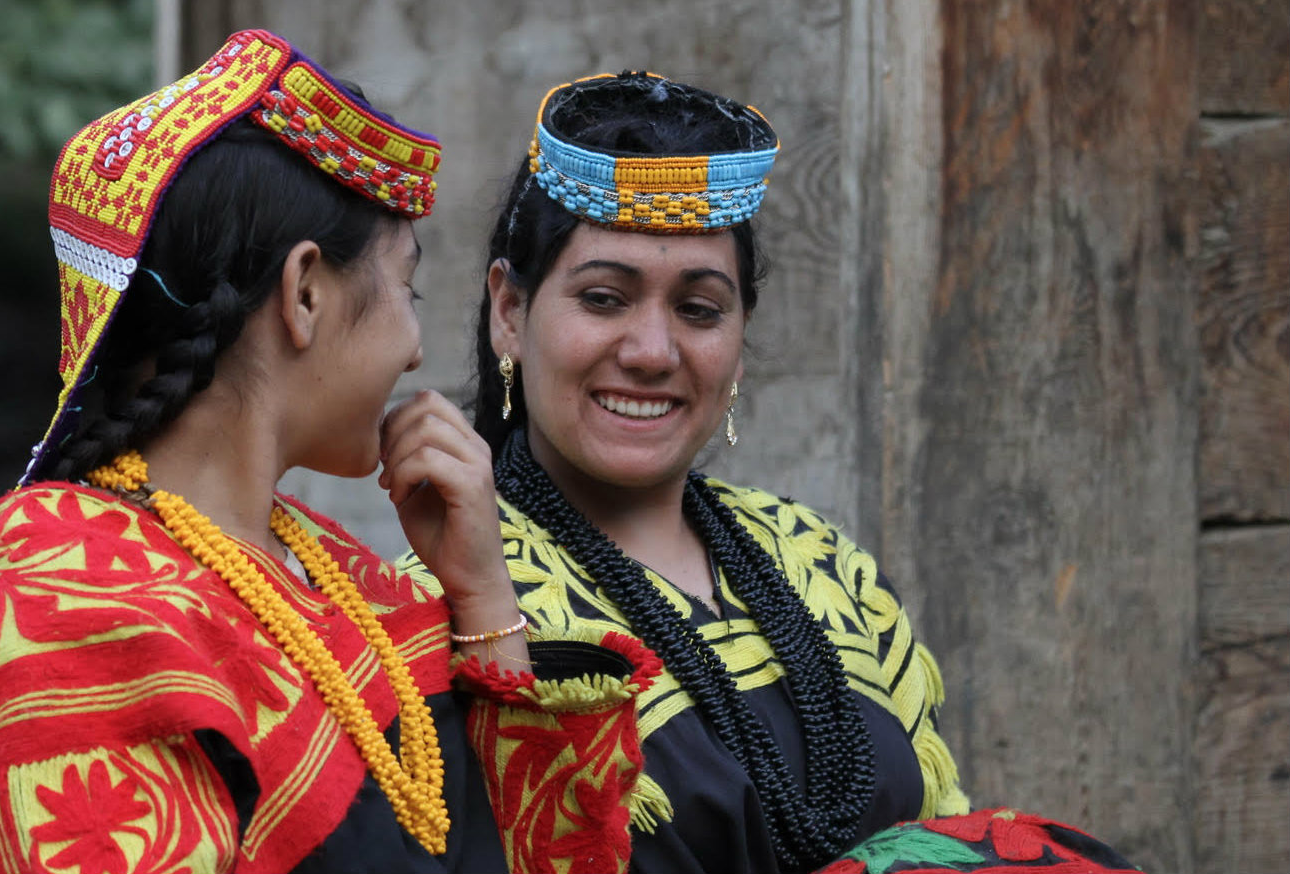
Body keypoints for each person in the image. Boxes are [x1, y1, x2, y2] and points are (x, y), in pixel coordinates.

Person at [0, 33, 657, 874]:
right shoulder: (69, 597)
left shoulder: (331, 570)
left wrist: (480, 597)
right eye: (406, 289)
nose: (414, 353)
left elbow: (543, 856)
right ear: (304, 293)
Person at [400, 72, 1140, 874]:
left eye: (698, 309)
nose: (651, 352)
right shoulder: (438, 597)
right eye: (605, 298)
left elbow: (944, 842)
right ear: (509, 312)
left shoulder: (821, 563)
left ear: (740, 336)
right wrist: (489, 616)